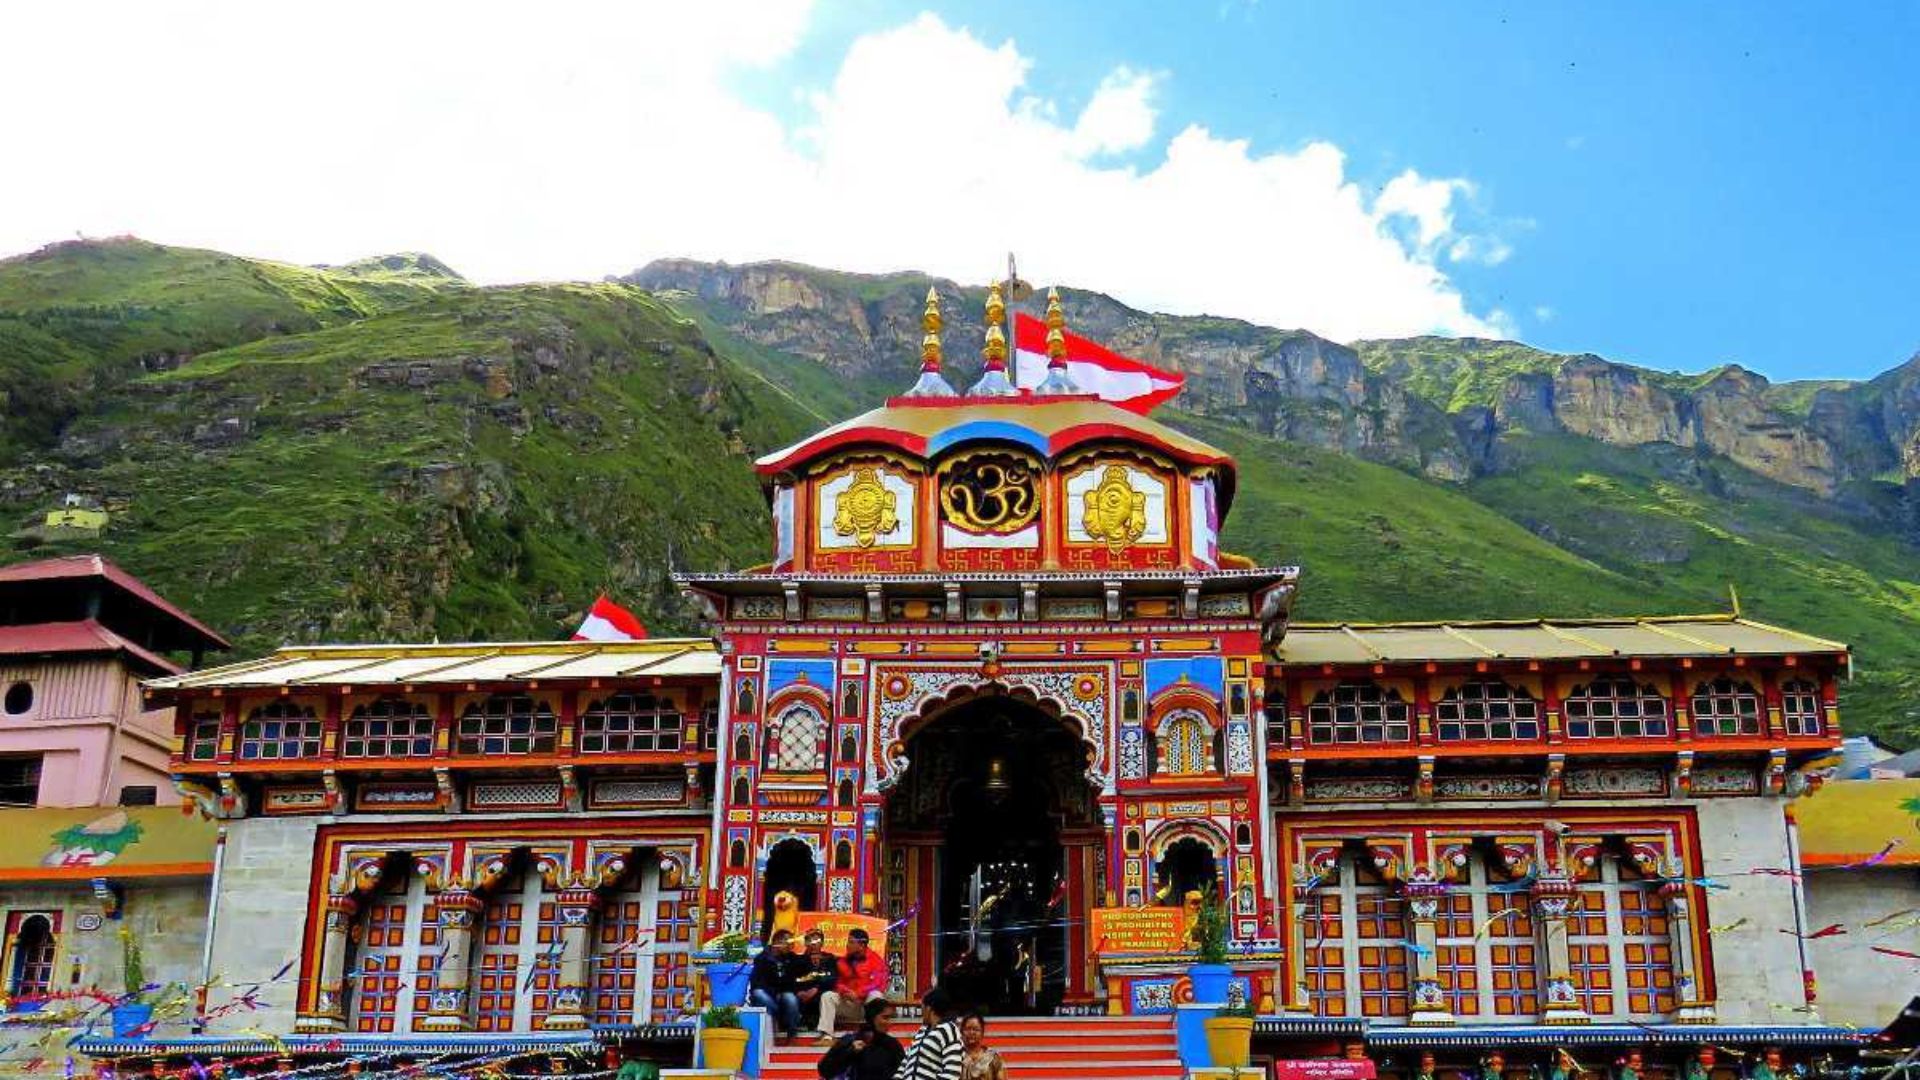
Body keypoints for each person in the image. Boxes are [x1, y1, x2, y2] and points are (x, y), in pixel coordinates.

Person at [817, 928, 888, 1038]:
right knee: (827, 996)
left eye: (851, 942)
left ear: (861, 945)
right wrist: (845, 992)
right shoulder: (843, 961)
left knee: (876, 995)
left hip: (866, 1007)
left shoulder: (876, 961)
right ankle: (826, 1036)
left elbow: (878, 984)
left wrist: (858, 994)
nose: (847, 945)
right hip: (849, 1004)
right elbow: (838, 983)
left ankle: (876, 1034)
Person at [815, 998, 905, 1080]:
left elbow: (904, 1072)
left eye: (891, 1018)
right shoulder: (849, 1041)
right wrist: (849, 1052)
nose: (889, 1022)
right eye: (885, 1017)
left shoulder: (892, 1045)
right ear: (872, 1018)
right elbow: (824, 1070)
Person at [896, 986, 964, 1080]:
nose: (921, 1012)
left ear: (929, 1008)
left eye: (922, 1007)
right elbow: (906, 1060)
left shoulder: (948, 1029)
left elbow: (952, 1071)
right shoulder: (922, 1031)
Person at [750, 929, 805, 1042]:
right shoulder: (762, 958)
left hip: (782, 993)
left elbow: (801, 972)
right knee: (758, 993)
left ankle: (792, 1033)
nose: (792, 946)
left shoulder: (791, 958)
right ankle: (779, 1018)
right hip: (767, 993)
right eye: (789, 943)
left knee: (790, 998)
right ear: (778, 942)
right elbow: (756, 983)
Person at [795, 928, 840, 1036]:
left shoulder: (830, 958)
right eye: (810, 941)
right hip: (802, 991)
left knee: (825, 995)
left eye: (817, 941)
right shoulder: (798, 960)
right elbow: (793, 978)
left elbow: (832, 977)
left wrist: (816, 988)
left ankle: (816, 1024)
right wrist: (799, 991)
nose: (814, 944)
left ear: (822, 943)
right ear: (806, 943)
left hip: (821, 991)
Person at [958, 1013, 1005, 1080]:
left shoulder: (993, 1057)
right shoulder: (956, 1056)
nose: (971, 1033)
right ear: (961, 1032)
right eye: (968, 1029)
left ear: (982, 1032)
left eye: (976, 1029)